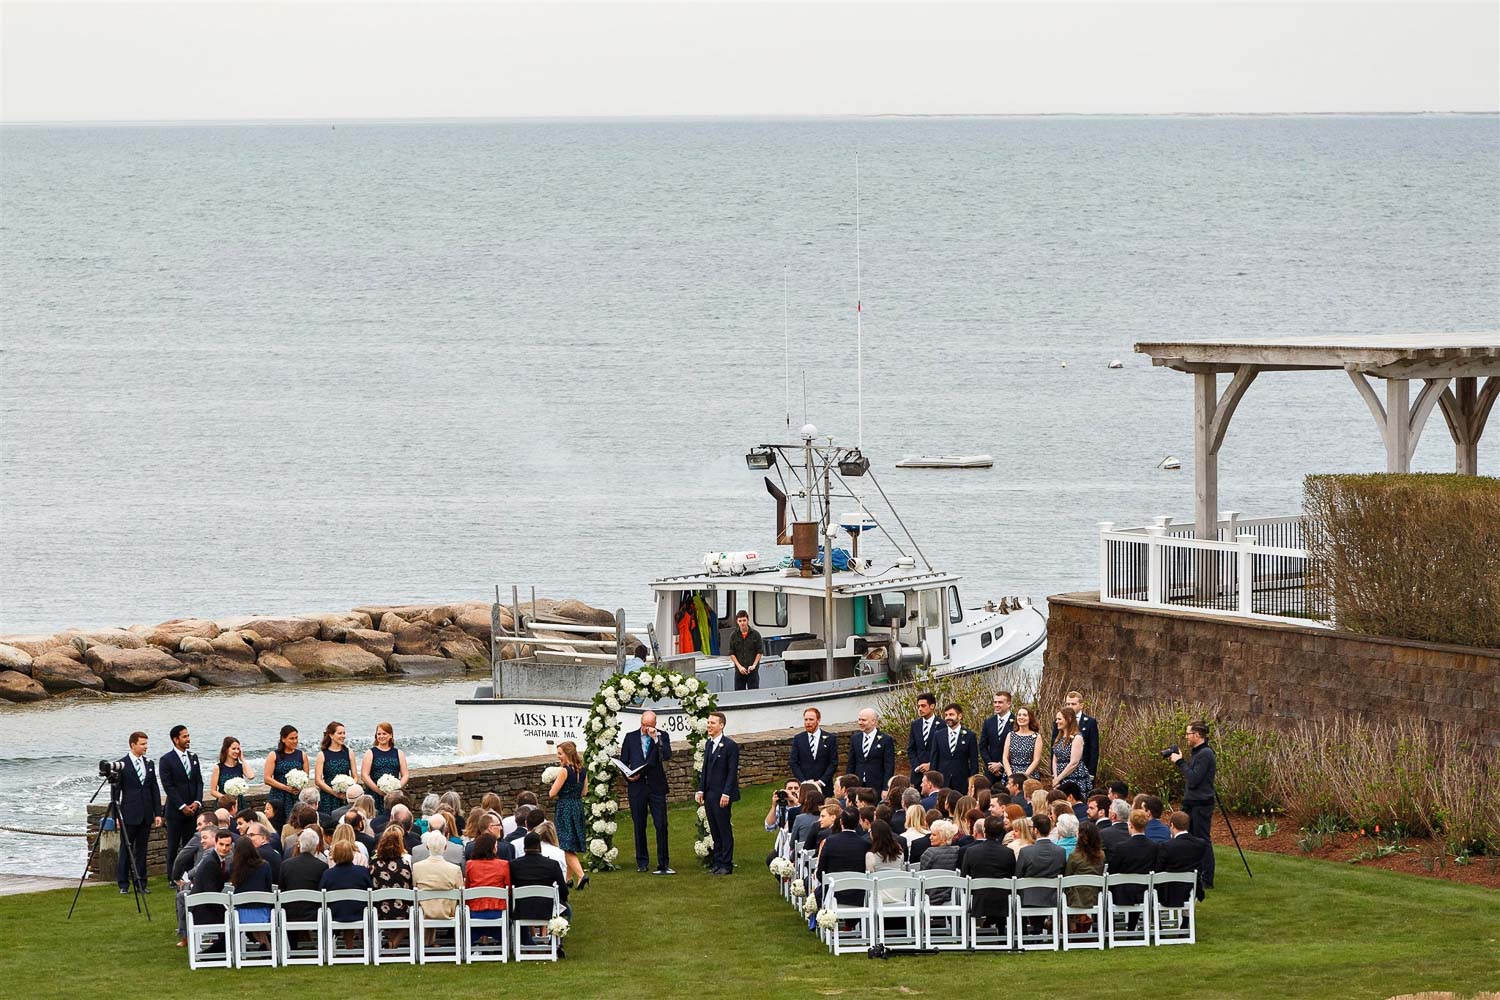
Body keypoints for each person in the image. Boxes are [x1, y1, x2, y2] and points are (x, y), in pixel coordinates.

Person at [619, 709, 673, 874]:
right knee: (639, 824)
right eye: (643, 725)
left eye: (649, 725)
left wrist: (655, 739)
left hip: (656, 786)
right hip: (638, 787)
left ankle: (663, 862)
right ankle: (642, 861)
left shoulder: (662, 737)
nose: (645, 728)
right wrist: (629, 776)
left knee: (661, 824)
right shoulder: (630, 737)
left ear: (654, 724)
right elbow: (624, 761)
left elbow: (667, 755)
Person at [1171, 720, 1217, 892]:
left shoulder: (1205, 754)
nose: (1186, 736)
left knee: (1202, 839)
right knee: (1188, 837)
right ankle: (1191, 871)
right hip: (1192, 801)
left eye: (1188, 733)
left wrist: (1180, 762)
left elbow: (1194, 778)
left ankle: (1207, 878)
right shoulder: (1197, 752)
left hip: (1201, 803)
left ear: (1197, 735)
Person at [113, 731, 162, 894]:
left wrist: (157, 813)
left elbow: (154, 788)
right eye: (142, 744)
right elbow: (116, 793)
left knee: (142, 850)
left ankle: (141, 882)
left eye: (146, 744)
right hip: (129, 813)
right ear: (133, 745)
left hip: (146, 813)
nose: (145, 747)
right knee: (126, 849)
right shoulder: (122, 764)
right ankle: (123, 884)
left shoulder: (149, 764)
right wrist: (117, 816)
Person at [158, 724, 204, 887]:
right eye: (184, 737)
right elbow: (168, 786)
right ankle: (172, 878)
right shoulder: (166, 760)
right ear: (175, 739)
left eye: (188, 736)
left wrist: (197, 803)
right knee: (173, 847)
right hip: (175, 812)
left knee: (190, 846)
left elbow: (199, 781)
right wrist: (182, 806)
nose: (188, 739)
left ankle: (190, 877)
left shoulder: (193, 757)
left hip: (193, 810)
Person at [510, 833, 570, 952]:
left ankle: (528, 943)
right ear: (540, 847)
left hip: (522, 909)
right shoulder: (552, 864)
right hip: (547, 909)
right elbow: (563, 890)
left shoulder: (514, 865)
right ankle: (555, 943)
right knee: (567, 910)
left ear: (524, 848)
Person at [696, 711, 740, 875]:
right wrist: (701, 789)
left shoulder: (730, 746)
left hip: (722, 794)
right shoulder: (709, 744)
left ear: (721, 725)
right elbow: (705, 769)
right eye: (708, 723)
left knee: (723, 828)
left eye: (712, 723)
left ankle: (726, 864)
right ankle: (718, 861)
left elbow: (731, 772)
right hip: (709, 793)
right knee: (714, 829)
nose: (709, 726)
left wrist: (727, 793)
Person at [961, 815, 1016, 932]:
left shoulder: (971, 852)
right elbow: (1012, 875)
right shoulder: (1008, 853)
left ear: (985, 831)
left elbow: (965, 876)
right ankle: (1000, 930)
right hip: (1001, 898)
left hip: (979, 897)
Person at [1107, 809, 1159, 930]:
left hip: (1122, 893)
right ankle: (1131, 926)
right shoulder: (1154, 847)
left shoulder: (1121, 847)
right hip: (1145, 892)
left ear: (1130, 825)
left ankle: (1111, 928)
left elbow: (1112, 870)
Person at [547, 741, 588, 888]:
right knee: (570, 843)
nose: (559, 757)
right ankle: (568, 879)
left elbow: (552, 793)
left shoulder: (564, 771)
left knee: (565, 844)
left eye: (560, 754)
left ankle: (581, 875)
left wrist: (553, 781)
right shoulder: (582, 770)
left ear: (567, 753)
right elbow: (584, 792)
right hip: (577, 807)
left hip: (565, 807)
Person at [413, 829, 464, 946]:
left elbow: (414, 886)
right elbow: (461, 892)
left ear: (427, 847)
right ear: (445, 848)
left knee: (427, 900)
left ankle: (428, 941)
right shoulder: (454, 869)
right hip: (448, 912)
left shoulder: (417, 867)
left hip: (425, 911)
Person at [1015, 813, 1065, 933]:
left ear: (1036, 830)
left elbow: (1018, 876)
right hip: (1051, 897)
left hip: (1028, 898)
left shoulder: (1026, 852)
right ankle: (1036, 930)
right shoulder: (1060, 851)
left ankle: (1025, 932)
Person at [188, 828, 234, 954]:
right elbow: (211, 894)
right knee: (233, 919)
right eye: (221, 844)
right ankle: (211, 953)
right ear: (215, 843)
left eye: (227, 845)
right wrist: (226, 909)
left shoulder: (217, 860)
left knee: (232, 917)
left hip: (206, 905)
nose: (224, 848)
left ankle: (220, 951)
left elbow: (219, 878)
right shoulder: (211, 862)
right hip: (201, 910)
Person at [319, 840, 373, 946]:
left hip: (335, 913)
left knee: (344, 906)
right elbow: (369, 889)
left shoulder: (328, 874)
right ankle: (349, 946)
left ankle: (348, 946)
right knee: (350, 905)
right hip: (359, 912)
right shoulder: (362, 872)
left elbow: (321, 892)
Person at [464, 832, 511, 945]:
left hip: (475, 911)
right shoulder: (503, 864)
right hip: (497, 911)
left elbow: (467, 887)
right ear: (492, 848)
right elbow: (508, 888)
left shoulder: (470, 864)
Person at [816, 809, 869, 905]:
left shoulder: (830, 842)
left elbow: (820, 872)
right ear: (858, 822)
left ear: (841, 822)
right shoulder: (864, 844)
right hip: (857, 895)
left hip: (833, 894)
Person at [279, 827, 329, 930]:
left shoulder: (286, 865)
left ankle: (293, 946)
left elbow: (281, 890)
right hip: (314, 913)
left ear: (300, 844)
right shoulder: (322, 866)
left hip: (289, 914)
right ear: (316, 846)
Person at [1158, 810, 1211, 904]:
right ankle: (1186, 917)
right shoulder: (1200, 844)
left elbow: (1159, 867)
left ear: (1172, 825)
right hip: (1191, 889)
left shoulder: (1166, 846)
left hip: (1169, 892)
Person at [1064, 820, 1106, 934]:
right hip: (1095, 897)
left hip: (1076, 898)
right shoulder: (1101, 855)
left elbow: (1067, 878)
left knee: (1066, 890)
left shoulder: (1074, 856)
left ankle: (1073, 925)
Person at [264, 726, 310, 831]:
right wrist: (285, 788)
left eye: (296, 738)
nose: (295, 741)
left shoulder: (301, 755)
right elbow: (267, 778)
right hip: (278, 795)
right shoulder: (274, 755)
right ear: (283, 739)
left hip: (295, 795)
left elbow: (306, 777)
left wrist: (299, 787)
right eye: (291, 738)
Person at [360, 721, 408, 811]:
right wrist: (379, 791)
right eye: (379, 734)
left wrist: (396, 788)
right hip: (375, 794)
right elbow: (364, 775)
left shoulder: (398, 753)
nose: (381, 736)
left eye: (384, 734)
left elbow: (405, 775)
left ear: (390, 735)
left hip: (394, 795)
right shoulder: (370, 753)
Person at [931, 702, 979, 792]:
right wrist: (933, 782)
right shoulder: (938, 735)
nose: (948, 717)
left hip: (962, 782)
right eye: (946, 715)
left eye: (951, 714)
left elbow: (974, 762)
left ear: (959, 716)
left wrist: (972, 783)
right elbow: (934, 760)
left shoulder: (970, 736)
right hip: (942, 782)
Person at [1052, 690, 1100, 780]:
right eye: (1068, 704)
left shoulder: (1090, 722)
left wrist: (1091, 773)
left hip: (1081, 771)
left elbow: (1094, 750)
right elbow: (1054, 746)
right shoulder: (1058, 722)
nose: (1070, 706)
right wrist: (1053, 773)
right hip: (1059, 770)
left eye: (1073, 704)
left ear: (1081, 705)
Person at [789, 707, 839, 791]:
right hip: (804, 786)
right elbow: (793, 762)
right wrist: (804, 782)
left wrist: (821, 781)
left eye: (811, 719)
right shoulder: (798, 739)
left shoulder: (830, 738)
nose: (808, 723)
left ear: (818, 720)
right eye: (806, 720)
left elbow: (833, 762)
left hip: (824, 786)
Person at [315, 721, 357, 816]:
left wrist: (348, 788)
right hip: (328, 796)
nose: (343, 736)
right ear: (331, 735)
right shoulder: (322, 754)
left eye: (344, 733)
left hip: (346, 796)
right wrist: (334, 793)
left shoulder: (349, 752)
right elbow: (318, 780)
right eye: (339, 733)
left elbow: (355, 776)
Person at [848, 708, 895, 792]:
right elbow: (851, 763)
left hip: (877, 786)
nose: (860, 723)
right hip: (858, 786)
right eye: (859, 720)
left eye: (863, 720)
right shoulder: (855, 738)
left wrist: (886, 788)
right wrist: (849, 786)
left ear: (873, 721)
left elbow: (889, 766)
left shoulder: (886, 739)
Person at [1051, 707, 1093, 796]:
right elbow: (1055, 759)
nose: (1057, 722)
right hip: (1058, 777)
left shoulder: (1077, 738)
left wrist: (1059, 778)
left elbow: (1074, 763)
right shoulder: (1059, 738)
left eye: (1059, 719)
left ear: (1069, 719)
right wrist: (1055, 778)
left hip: (1073, 777)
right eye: (1056, 719)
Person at [209, 736, 255, 813]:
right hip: (224, 805)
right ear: (226, 749)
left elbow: (251, 776)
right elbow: (213, 791)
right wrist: (227, 799)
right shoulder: (218, 768)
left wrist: (242, 759)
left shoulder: (240, 766)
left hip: (239, 804)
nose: (236, 751)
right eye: (233, 749)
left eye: (238, 749)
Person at [865, 819, 906, 903]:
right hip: (899, 894)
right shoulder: (900, 853)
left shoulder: (870, 856)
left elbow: (870, 878)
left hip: (879, 897)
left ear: (874, 835)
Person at [978, 691, 1016, 780]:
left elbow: (1016, 747)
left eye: (1000, 702)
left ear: (1009, 704)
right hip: (991, 772)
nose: (996, 705)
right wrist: (990, 765)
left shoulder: (1016, 722)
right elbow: (982, 746)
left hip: (1010, 771)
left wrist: (1000, 764)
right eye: (995, 702)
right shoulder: (988, 722)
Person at [1001, 706, 1042, 783]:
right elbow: (1005, 757)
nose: (1021, 717)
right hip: (1011, 774)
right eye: (1019, 715)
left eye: (1024, 715)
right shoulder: (1010, 735)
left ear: (1030, 718)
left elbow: (1036, 760)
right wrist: (1010, 776)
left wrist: (1024, 776)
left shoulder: (1036, 737)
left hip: (1029, 775)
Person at [905, 692, 939, 784]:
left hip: (936, 775)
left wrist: (931, 765)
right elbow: (911, 749)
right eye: (919, 706)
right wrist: (917, 766)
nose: (920, 709)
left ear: (932, 706)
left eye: (923, 706)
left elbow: (944, 751)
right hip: (918, 776)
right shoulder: (915, 725)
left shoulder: (942, 725)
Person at [727, 609, 763, 690]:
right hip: (739, 671)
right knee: (739, 694)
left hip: (752, 671)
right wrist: (739, 667)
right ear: (737, 621)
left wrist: (754, 665)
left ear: (747, 620)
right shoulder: (733, 636)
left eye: (744, 620)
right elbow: (731, 653)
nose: (742, 623)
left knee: (754, 694)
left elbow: (759, 651)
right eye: (740, 621)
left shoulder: (756, 635)